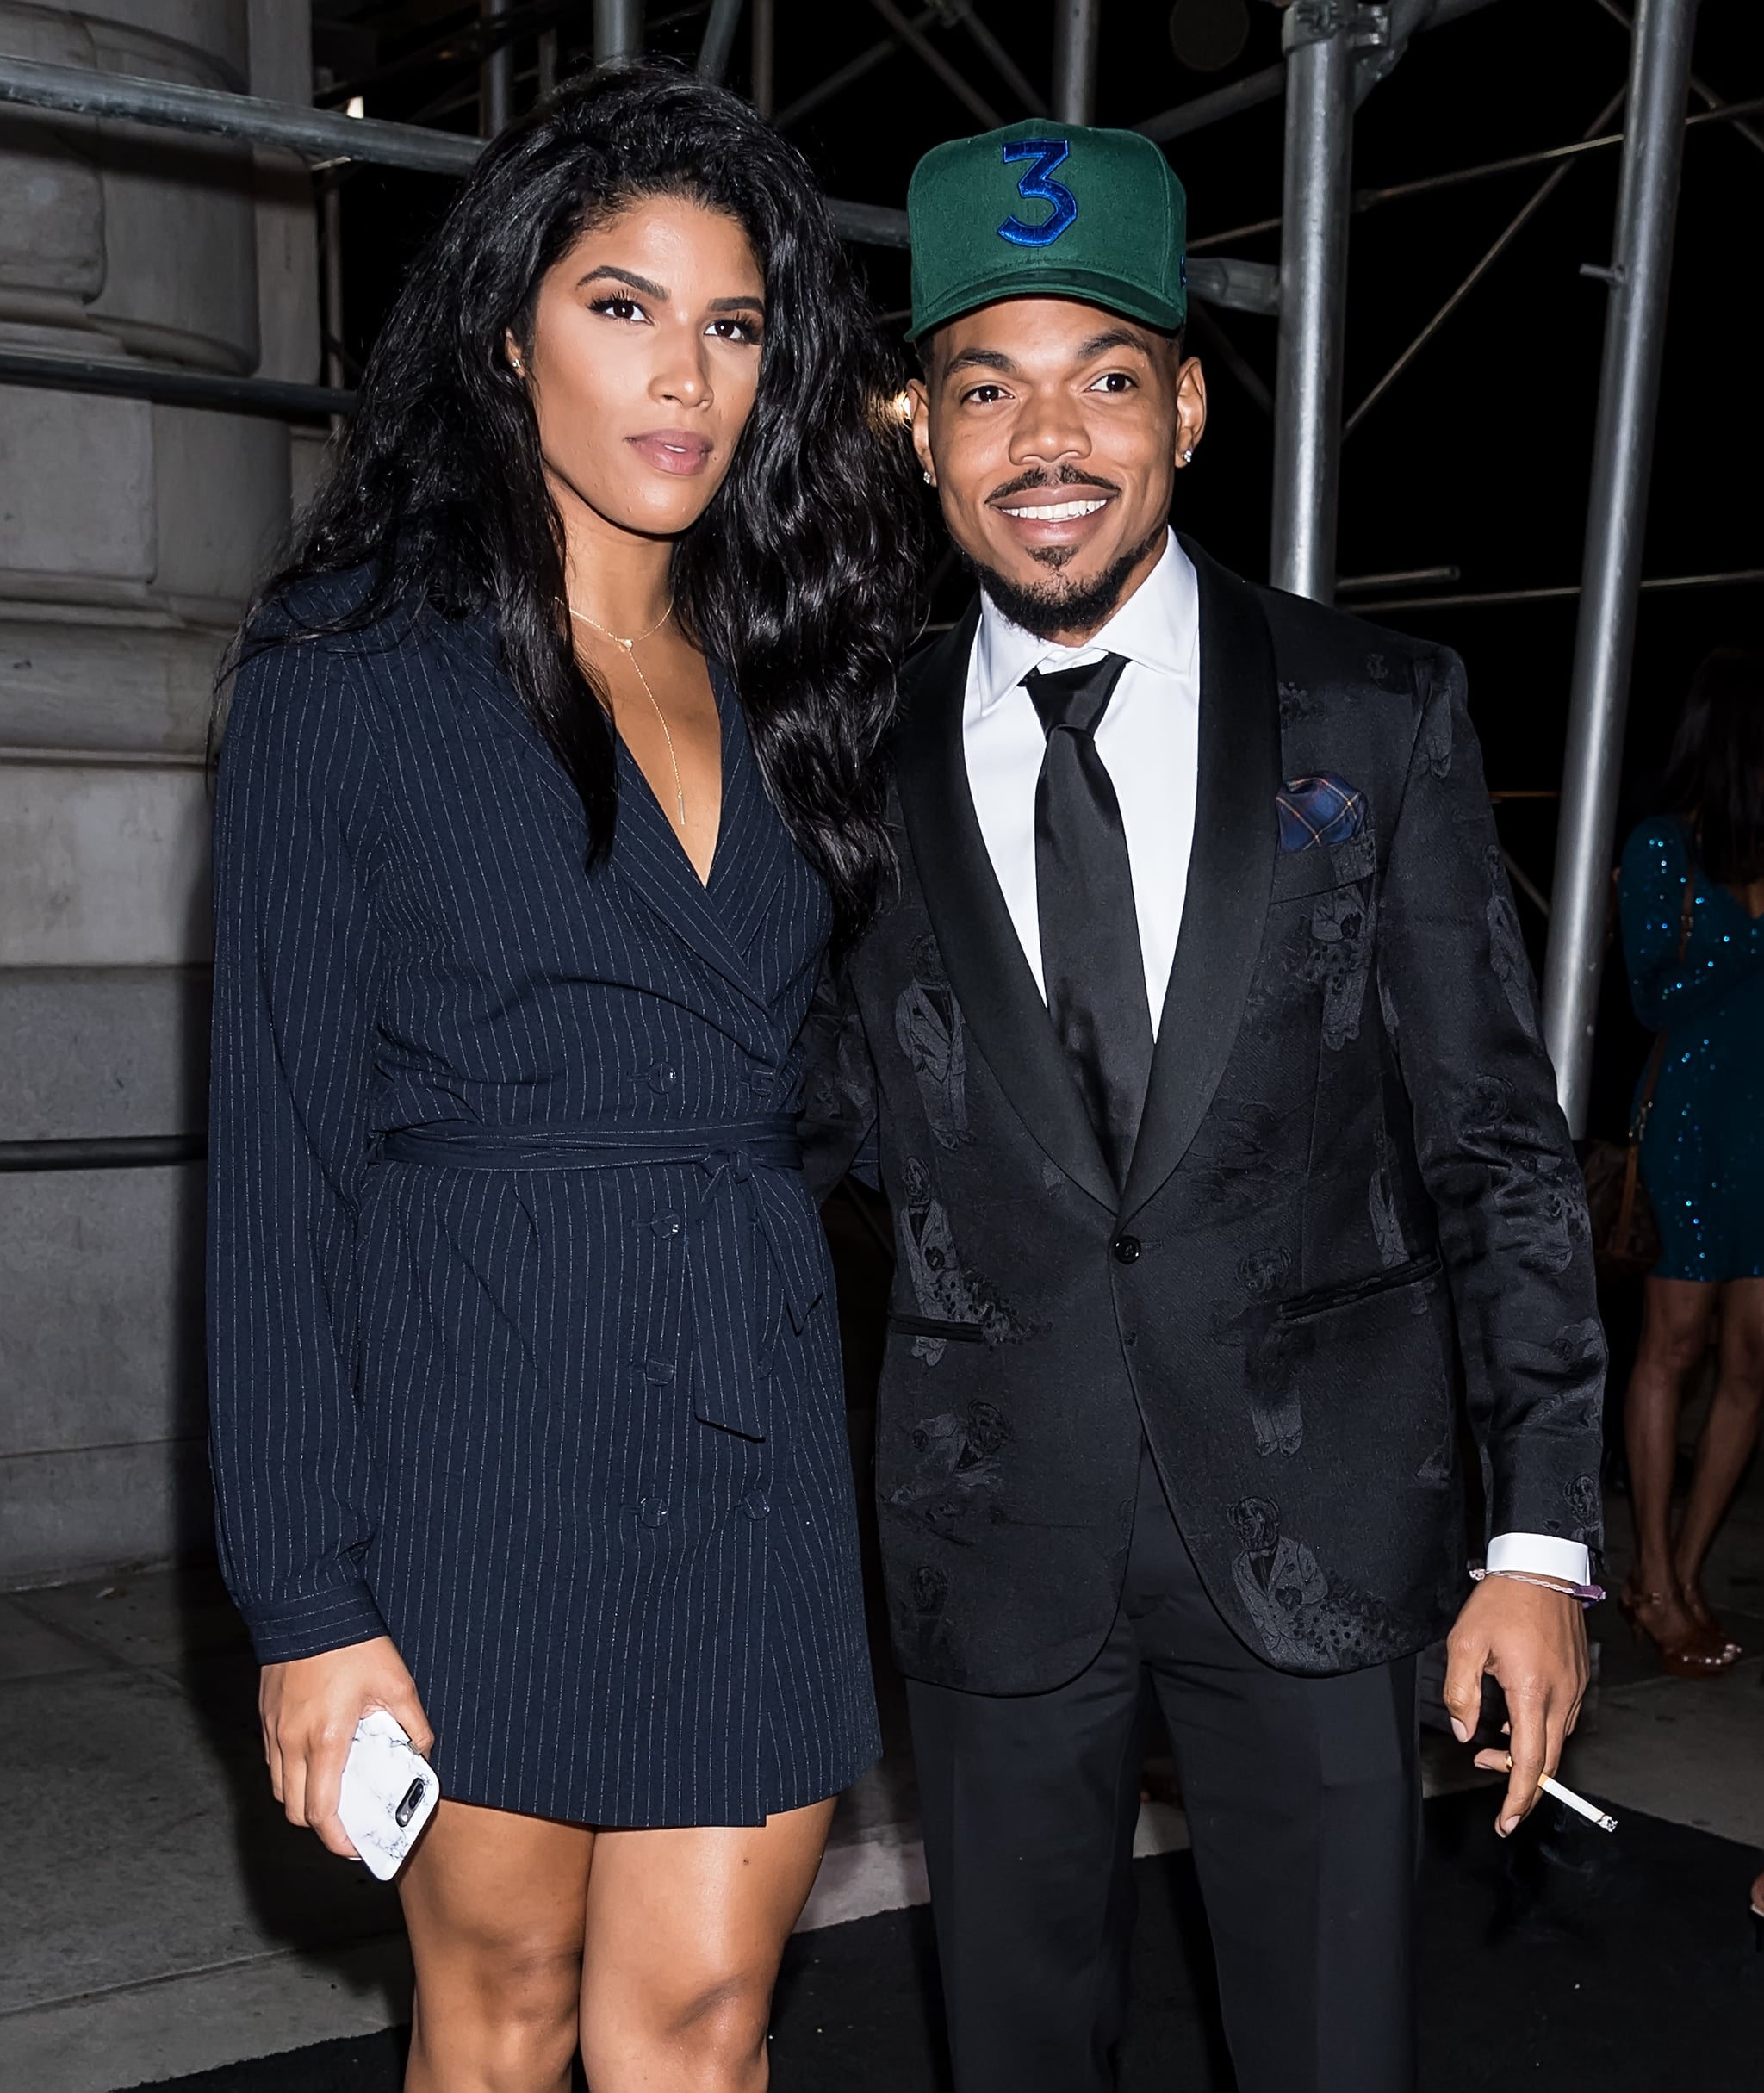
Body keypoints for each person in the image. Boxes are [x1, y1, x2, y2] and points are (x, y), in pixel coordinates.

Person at [799, 121, 1605, 2093]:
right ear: (917, 430)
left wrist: (1542, 1541)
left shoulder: (1371, 711)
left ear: (1184, 404)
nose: (1044, 436)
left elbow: (1493, 1139)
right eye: (986, 387)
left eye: (1101, 377)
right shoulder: (833, 750)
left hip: (1320, 1532)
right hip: (993, 1530)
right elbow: (794, 1132)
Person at [207, 66, 921, 2093]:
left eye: (732, 321)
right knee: (502, 2018)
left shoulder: (798, 671)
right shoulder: (350, 668)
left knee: (701, 2017)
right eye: (622, 306)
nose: (679, 372)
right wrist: (308, 1603)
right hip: (474, 1424)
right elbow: (274, 1173)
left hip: (748, 1408)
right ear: (507, 324)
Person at [1615, 648, 1764, 1677]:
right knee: (1671, 1345)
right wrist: (1749, 935)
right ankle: (1652, 1577)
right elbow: (1647, 1001)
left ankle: (1690, 1568)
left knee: (1751, 1358)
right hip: (1691, 1122)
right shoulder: (1663, 847)